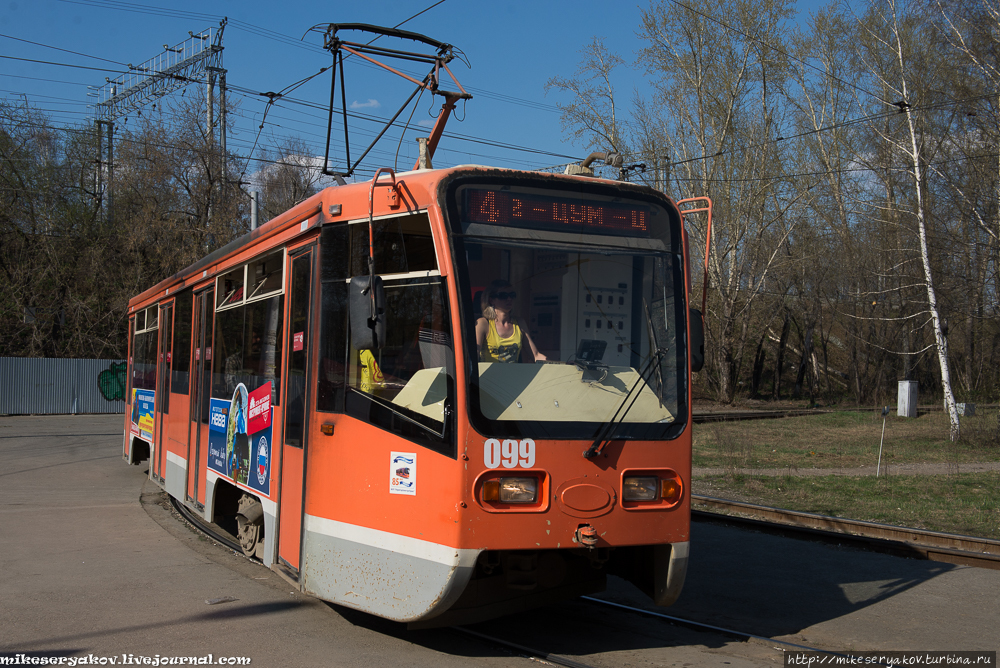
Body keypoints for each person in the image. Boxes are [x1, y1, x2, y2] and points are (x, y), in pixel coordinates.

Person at [476, 279, 547, 363]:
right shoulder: (483, 323)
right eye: (503, 295)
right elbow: (474, 355)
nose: (509, 299)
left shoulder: (520, 323)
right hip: (489, 375)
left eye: (512, 295)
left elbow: (536, 355)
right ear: (491, 300)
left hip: (513, 375)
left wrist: (557, 366)